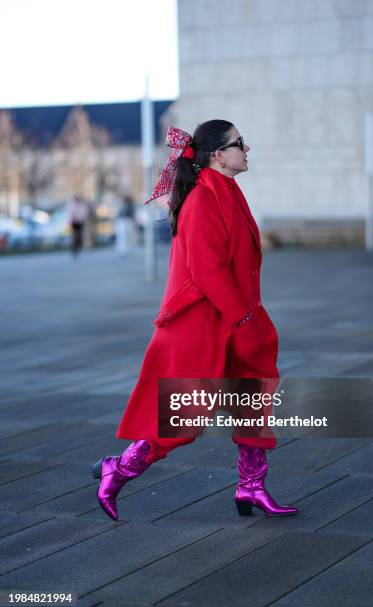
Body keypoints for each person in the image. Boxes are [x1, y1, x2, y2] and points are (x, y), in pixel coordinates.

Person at [91, 120, 298, 520]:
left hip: (239, 318)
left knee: (252, 403)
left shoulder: (229, 190)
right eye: (240, 143)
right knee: (183, 418)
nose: (247, 149)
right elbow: (207, 272)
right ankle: (117, 469)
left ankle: (251, 487)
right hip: (205, 325)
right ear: (219, 155)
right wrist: (243, 320)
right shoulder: (203, 198)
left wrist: (249, 319)